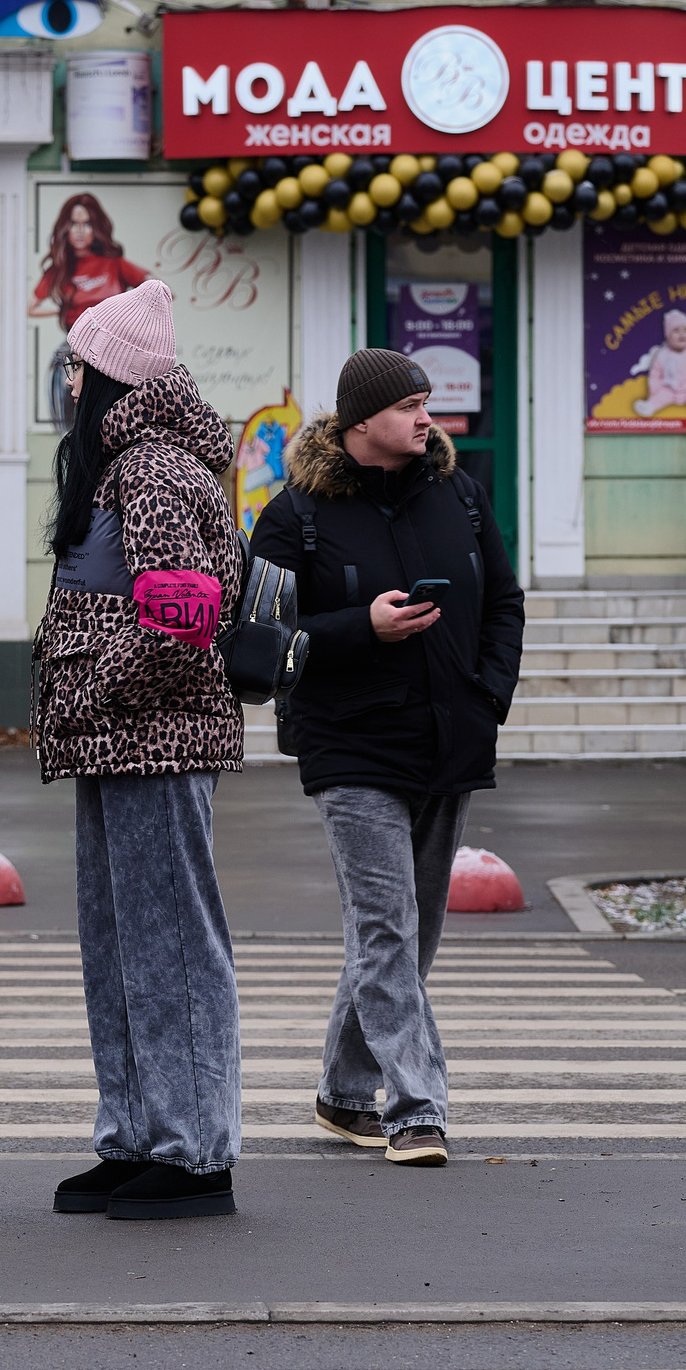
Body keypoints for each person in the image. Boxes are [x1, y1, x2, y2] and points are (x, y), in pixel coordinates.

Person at [249, 349, 525, 1169]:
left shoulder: (459, 494)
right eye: (409, 406)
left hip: (450, 738)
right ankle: (416, 1107)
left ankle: (342, 1091)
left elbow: (503, 603)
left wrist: (488, 695)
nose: (425, 418)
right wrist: (358, 627)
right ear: (361, 421)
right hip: (351, 745)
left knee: (410, 934)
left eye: (426, 402)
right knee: (387, 928)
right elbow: (258, 641)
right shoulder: (293, 516)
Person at [30, 278, 247, 1221]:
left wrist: (88, 689)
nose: (69, 384)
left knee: (170, 950)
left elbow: (183, 618)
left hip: (154, 737)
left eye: (77, 368)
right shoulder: (129, 464)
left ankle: (193, 1152)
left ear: (110, 378)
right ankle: (136, 1137)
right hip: (117, 740)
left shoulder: (153, 469)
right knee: (120, 951)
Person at [29, 193, 152, 333]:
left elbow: (159, 289)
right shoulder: (60, 269)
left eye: (87, 224)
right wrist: (63, 312)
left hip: (114, 338)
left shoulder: (113, 263)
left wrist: (129, 311)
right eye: (74, 224)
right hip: (77, 340)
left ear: (96, 227)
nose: (80, 231)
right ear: (65, 227)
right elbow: (31, 309)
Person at [631, 308, 686, 418]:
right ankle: (648, 407)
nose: (681, 334)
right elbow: (655, 374)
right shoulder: (663, 354)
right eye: (676, 331)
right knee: (659, 398)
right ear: (668, 336)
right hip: (669, 389)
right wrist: (655, 390)